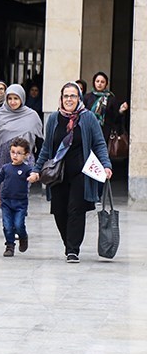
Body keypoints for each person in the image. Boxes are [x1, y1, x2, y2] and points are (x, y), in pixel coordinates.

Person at [30, 82, 112, 263]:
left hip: (80, 173)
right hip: (57, 174)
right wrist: (37, 170)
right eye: (66, 96)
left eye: (73, 96)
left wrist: (106, 165)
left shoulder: (88, 118)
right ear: (61, 98)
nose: (69, 99)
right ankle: (69, 244)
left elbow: (99, 144)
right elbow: (46, 148)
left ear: (79, 98)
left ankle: (73, 249)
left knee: (76, 209)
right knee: (59, 211)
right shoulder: (53, 119)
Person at [0, 84, 44, 198]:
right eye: (9, 98)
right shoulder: (0, 115)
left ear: (22, 98)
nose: (12, 102)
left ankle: (20, 214)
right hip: (4, 160)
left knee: (21, 193)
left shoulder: (32, 116)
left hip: (25, 160)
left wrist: (40, 164)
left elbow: (40, 142)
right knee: (5, 193)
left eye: (16, 98)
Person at [0, 137, 37, 257]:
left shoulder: (26, 168)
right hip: (6, 201)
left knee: (19, 224)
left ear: (26, 155)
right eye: (13, 152)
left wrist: (34, 177)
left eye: (19, 153)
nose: (15, 155)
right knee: (7, 225)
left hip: (20, 202)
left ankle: (23, 236)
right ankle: (9, 245)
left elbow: (33, 175)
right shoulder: (6, 168)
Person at [82, 71, 128, 143]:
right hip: (89, 131)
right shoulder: (87, 97)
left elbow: (115, 118)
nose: (99, 84)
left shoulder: (111, 99)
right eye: (97, 81)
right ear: (94, 82)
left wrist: (121, 111)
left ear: (106, 84)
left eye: (102, 82)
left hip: (105, 133)